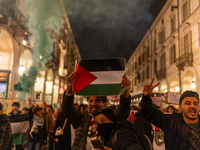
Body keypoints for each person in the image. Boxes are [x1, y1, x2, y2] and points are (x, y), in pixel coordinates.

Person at [61, 71, 131, 150]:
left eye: (97, 101)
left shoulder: (110, 117)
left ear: (104, 104)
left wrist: (125, 91)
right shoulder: (81, 119)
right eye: (90, 101)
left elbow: (123, 111)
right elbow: (66, 109)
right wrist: (69, 88)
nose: (93, 103)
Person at [141, 77, 200, 150]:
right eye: (188, 103)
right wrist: (146, 97)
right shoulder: (171, 122)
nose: (192, 106)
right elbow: (149, 113)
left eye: (195, 103)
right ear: (180, 107)